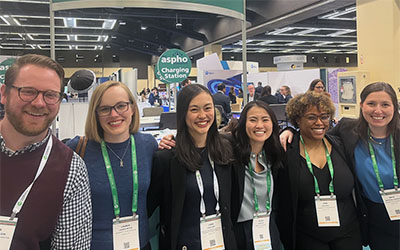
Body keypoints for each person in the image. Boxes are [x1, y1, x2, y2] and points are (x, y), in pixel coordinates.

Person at [280, 82, 400, 250]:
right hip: (372, 217)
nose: (378, 111)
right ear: (361, 106)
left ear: (395, 107)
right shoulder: (347, 131)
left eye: (385, 104)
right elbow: (315, 132)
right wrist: (289, 131)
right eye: (371, 104)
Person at [0, 54, 92, 249]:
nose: (39, 103)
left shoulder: (71, 169)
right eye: (28, 91)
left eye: (50, 95)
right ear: (4, 94)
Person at [67, 81, 158, 250]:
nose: (114, 114)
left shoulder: (149, 145)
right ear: (95, 114)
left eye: (121, 106)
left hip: (140, 244)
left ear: (132, 108)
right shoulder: (78, 149)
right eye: (104, 109)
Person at [147, 84, 237, 250]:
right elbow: (150, 207)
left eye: (207, 108)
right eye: (194, 109)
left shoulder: (227, 149)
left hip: (222, 243)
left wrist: (288, 131)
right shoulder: (167, 158)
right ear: (183, 113)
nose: (202, 115)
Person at [277, 92, 362, 250]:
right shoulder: (286, 151)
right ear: (297, 119)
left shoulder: (341, 144)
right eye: (311, 117)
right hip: (307, 236)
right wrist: (287, 130)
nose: (319, 122)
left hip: (348, 233)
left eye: (324, 116)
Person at [231, 101, 284, 250]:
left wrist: (290, 130)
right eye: (253, 120)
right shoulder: (230, 153)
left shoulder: (274, 155)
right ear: (243, 124)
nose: (259, 125)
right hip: (239, 230)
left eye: (265, 120)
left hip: (267, 227)